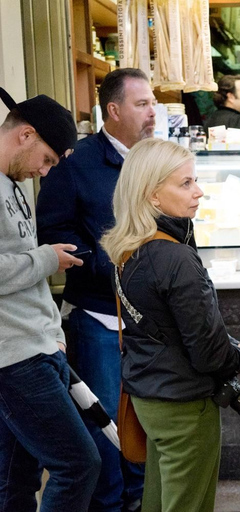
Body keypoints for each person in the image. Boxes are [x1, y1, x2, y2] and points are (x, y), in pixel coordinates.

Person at [100, 138, 240, 512]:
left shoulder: (129, 248)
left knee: (158, 500)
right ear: (153, 196)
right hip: (184, 405)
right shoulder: (175, 258)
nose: (199, 192)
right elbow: (207, 353)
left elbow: (169, 327)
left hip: (149, 397)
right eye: (186, 183)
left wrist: (232, 350)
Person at [36, 67, 154, 512]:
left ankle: (139, 502)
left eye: (153, 104)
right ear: (114, 110)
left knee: (144, 420)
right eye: (142, 104)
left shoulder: (154, 159)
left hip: (149, 319)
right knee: (105, 427)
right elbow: (53, 231)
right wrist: (107, 263)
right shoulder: (75, 164)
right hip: (100, 319)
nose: (151, 114)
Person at [0, 87, 101, 511]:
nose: (44, 173)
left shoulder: (13, 184)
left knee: (16, 480)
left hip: (38, 347)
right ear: (25, 135)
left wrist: (52, 332)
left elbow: (24, 271)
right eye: (46, 160)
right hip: (14, 356)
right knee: (78, 464)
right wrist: (46, 258)